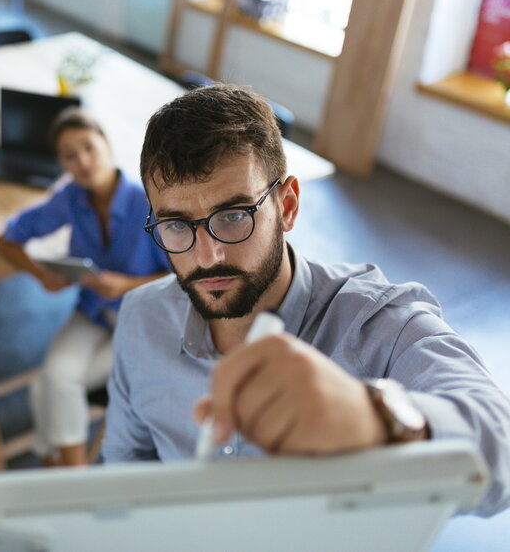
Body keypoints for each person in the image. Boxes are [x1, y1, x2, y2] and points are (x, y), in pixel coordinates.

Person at [101, 84, 510, 517]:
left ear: (288, 205)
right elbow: (126, 465)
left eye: (235, 215)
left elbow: (500, 450)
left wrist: (375, 418)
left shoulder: (380, 326)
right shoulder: (141, 317)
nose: (207, 256)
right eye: (177, 226)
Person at [0, 108, 170, 467]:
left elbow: (185, 278)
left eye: (89, 147)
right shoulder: (70, 198)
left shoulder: (149, 204)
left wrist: (128, 284)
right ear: (61, 163)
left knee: (50, 383)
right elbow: (9, 238)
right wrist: (41, 274)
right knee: (52, 381)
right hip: (92, 312)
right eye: (69, 156)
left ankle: (56, 465)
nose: (83, 161)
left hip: (145, 321)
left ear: (107, 144)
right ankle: (73, 477)